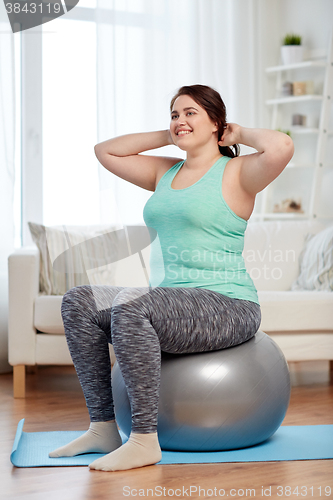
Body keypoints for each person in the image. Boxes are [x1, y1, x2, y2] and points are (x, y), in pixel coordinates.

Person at [49, 84, 294, 472]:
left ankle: (145, 440)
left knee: (131, 309)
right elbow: (105, 151)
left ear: (216, 122)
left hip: (228, 303)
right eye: (175, 114)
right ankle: (103, 428)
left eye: (191, 113)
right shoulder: (166, 171)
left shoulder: (238, 172)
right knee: (78, 300)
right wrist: (171, 135)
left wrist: (239, 133)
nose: (181, 120)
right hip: (170, 301)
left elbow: (281, 147)